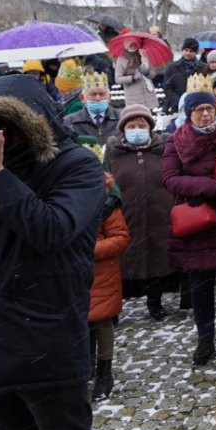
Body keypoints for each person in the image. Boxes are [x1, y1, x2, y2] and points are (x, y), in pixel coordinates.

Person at [0, 74, 107, 430]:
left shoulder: (76, 166)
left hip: (48, 335)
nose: (2, 137)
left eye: (8, 125)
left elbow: (51, 230)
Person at [161, 74, 216, 366]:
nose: (205, 113)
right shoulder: (176, 141)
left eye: (209, 108)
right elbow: (170, 178)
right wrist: (206, 188)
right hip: (196, 221)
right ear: (189, 113)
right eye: (199, 110)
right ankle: (205, 339)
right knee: (200, 286)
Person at [104, 104, 176, 321]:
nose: (137, 129)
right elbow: (106, 180)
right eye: (132, 125)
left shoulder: (164, 148)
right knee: (122, 264)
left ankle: (155, 303)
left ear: (150, 127)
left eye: (141, 125)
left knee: (156, 260)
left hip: (159, 215)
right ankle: (114, 308)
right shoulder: (113, 152)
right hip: (126, 216)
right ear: (123, 128)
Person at [86, 167, 130, 401]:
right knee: (79, 325)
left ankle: (104, 371)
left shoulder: (106, 202)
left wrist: (87, 250)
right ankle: (85, 369)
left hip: (100, 272)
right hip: (73, 273)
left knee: (102, 322)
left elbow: (120, 237)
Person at [64, 71, 121, 144]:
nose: (98, 98)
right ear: (82, 98)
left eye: (102, 94)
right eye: (93, 94)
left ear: (109, 97)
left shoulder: (122, 118)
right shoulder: (69, 122)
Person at [162, 38, 207, 113]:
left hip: (197, 107)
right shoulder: (172, 67)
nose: (188, 53)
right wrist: (179, 101)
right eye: (186, 50)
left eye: (191, 51)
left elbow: (206, 87)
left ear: (196, 52)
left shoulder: (204, 68)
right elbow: (167, 87)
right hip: (177, 107)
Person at [115, 38, 159, 110]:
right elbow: (118, 79)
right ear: (126, 46)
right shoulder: (121, 59)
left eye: (135, 44)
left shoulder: (143, 55)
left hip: (148, 94)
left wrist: (147, 72)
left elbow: (153, 73)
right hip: (133, 97)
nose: (133, 46)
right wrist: (133, 78)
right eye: (131, 45)